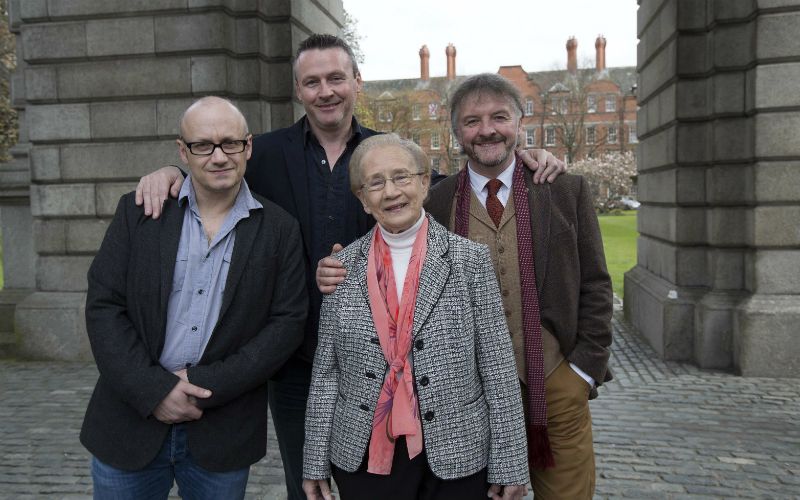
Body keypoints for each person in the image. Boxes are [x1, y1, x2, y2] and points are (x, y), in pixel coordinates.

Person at [133, 34, 566, 500]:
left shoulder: (387, 152)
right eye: (312, 82)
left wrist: (518, 158)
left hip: (401, 364)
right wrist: (171, 173)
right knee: (308, 485)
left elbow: (456, 185)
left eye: (336, 78)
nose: (326, 91)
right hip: (295, 358)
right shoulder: (264, 155)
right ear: (299, 90)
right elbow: (214, 168)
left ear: (357, 82)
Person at [317, 73, 613, 499]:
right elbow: (383, 248)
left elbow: (598, 285)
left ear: (520, 121)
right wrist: (332, 268)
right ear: (455, 131)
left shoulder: (563, 188)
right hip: (465, 400)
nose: (487, 129)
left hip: (554, 380)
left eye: (499, 117)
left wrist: (583, 370)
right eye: (472, 121)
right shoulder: (433, 200)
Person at [81, 96, 307, 499]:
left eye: (229, 143)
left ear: (248, 147)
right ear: (183, 151)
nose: (218, 156)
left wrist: (204, 384)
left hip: (222, 431)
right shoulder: (139, 213)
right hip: (129, 423)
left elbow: (286, 325)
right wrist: (154, 390)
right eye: (203, 145)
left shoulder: (279, 229)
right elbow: (104, 307)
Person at [303, 134, 528, 500]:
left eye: (401, 177)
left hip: (457, 452)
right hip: (364, 455)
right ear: (362, 198)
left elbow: (497, 366)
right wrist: (313, 460)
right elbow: (327, 373)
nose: (390, 191)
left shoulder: (470, 261)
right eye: (375, 182)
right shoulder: (340, 269)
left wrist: (511, 462)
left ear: (424, 182)